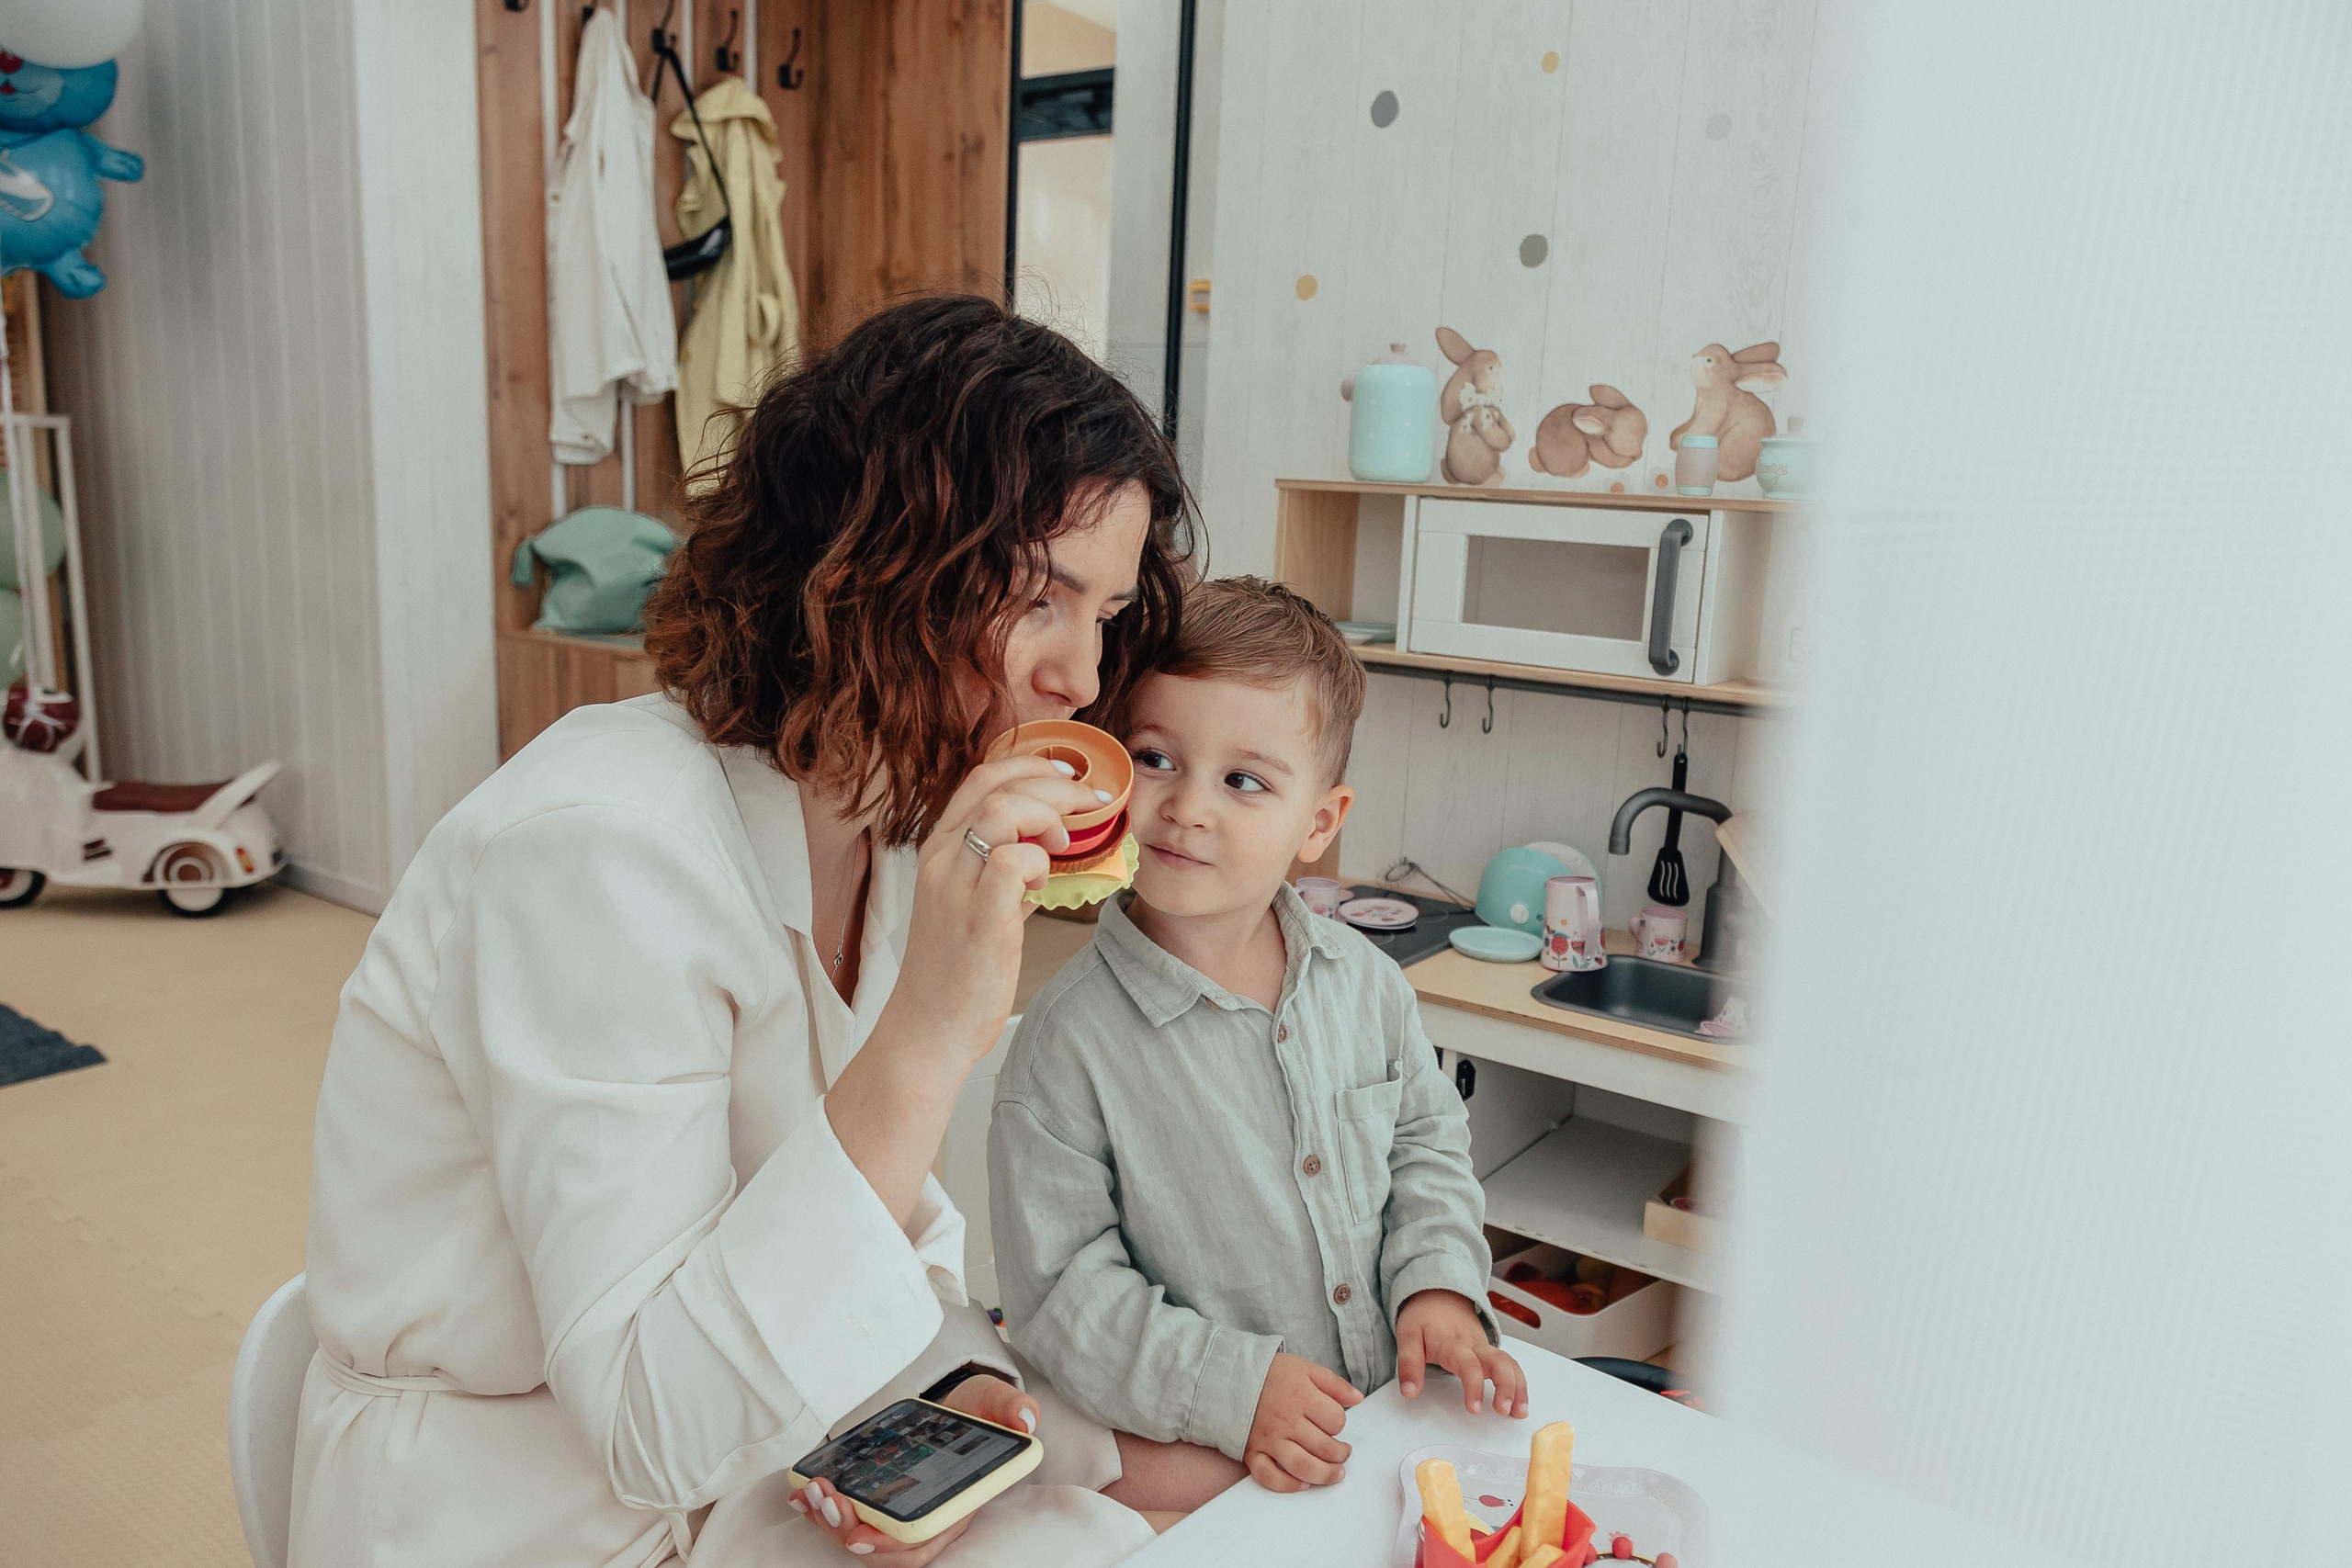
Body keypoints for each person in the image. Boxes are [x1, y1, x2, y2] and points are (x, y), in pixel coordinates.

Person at [292, 295, 1193, 1568]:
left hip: (760, 1447)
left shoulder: (884, 822)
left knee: (1141, 1506)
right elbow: (649, 1426)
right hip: (513, 1498)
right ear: (871, 566)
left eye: (1102, 614)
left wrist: (946, 1388)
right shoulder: (600, 849)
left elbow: (885, 1218)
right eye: (1041, 596)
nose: (1081, 678)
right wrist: (934, 1028)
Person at [987, 577, 1526, 1514]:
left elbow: (1425, 1151)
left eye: (1243, 780)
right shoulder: (1065, 1044)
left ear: (1318, 823)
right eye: (1156, 758)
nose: (1188, 807)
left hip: (1392, 1436)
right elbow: (1062, 1293)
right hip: (1214, 1473)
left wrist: (1437, 1288)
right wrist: (1233, 1388)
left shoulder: (1368, 986)